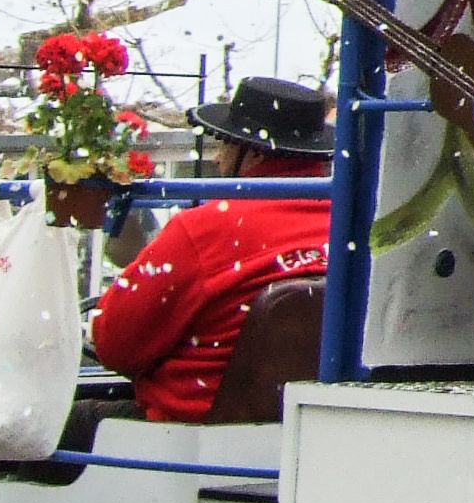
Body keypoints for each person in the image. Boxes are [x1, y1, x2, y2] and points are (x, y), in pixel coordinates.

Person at [90, 77, 331, 422]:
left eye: (225, 145)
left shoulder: (206, 229)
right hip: (312, 431)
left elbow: (114, 346)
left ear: (255, 152)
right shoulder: (353, 226)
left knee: (49, 428)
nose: (218, 159)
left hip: (189, 435)